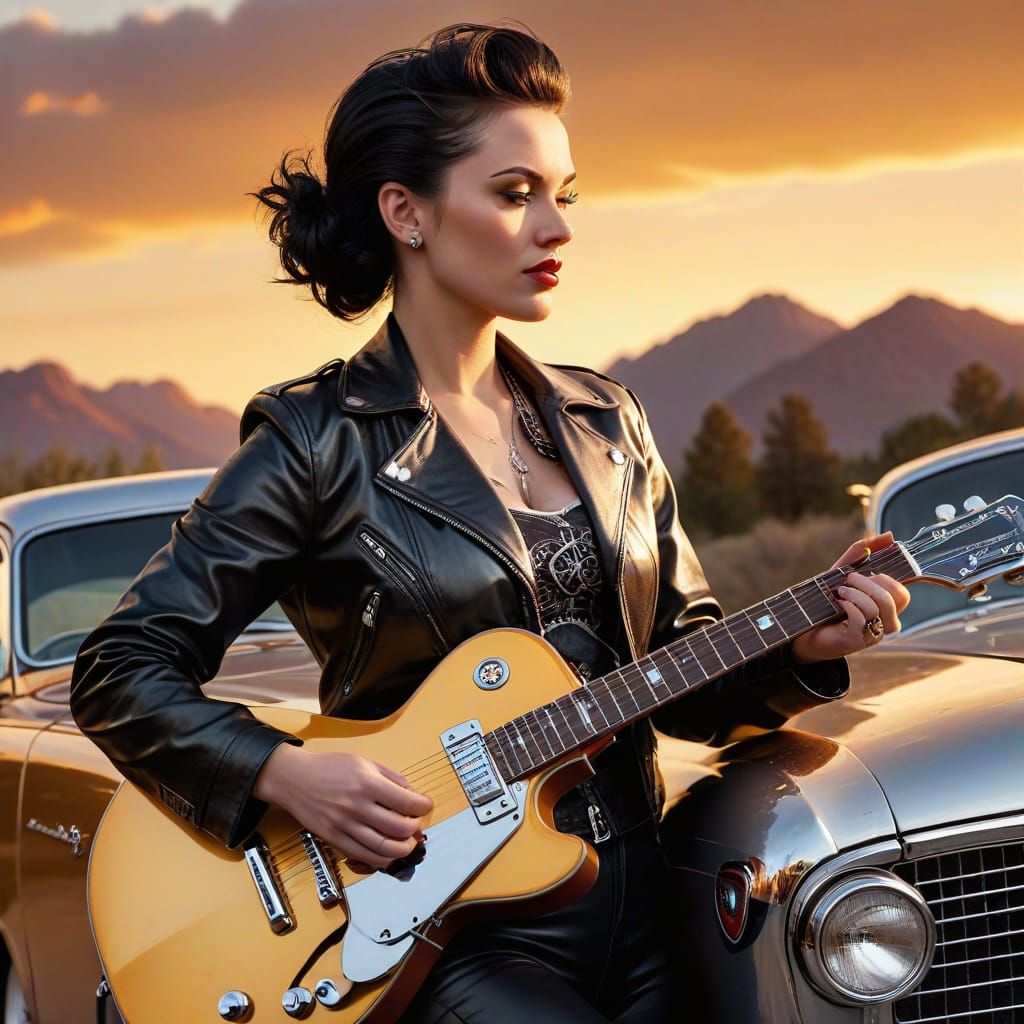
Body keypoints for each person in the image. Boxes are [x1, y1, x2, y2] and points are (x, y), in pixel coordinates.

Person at [69, 21, 911, 1023]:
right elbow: (120, 668)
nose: (556, 228)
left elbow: (678, 674)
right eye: (515, 194)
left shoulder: (608, 421)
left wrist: (801, 647)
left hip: (648, 901)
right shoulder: (313, 441)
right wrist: (286, 775)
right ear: (407, 212)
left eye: (564, 195)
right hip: (440, 927)